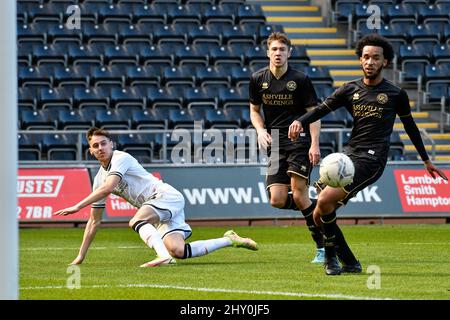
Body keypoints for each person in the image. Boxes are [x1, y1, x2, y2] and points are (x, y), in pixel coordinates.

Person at [288, 34, 448, 275]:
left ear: (385, 62)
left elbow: (410, 127)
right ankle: (350, 261)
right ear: (360, 60)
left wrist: (426, 160)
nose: (370, 61)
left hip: (372, 160)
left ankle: (330, 260)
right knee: (320, 215)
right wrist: (300, 121)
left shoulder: (395, 94)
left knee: (323, 201)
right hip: (349, 155)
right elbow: (321, 109)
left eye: (375, 57)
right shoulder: (349, 89)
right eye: (365, 57)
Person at [54, 127, 258, 267]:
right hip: (157, 207)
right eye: (96, 146)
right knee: (178, 251)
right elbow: (93, 222)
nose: (100, 148)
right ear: (90, 151)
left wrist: (77, 206)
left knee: (137, 220)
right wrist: (81, 255)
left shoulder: (120, 157)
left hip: (165, 196)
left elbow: (110, 187)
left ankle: (162, 257)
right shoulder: (98, 178)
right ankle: (229, 240)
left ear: (111, 144)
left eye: (103, 143)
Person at [249, 32, 325, 263]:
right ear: (268, 52)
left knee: (299, 192)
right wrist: (260, 130)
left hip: (298, 139)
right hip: (274, 141)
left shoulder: (300, 79)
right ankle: (320, 209)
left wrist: (314, 144)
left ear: (289, 53)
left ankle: (322, 248)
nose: (278, 53)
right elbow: (254, 110)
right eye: (274, 49)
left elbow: (314, 114)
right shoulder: (257, 78)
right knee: (277, 200)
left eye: (282, 49)